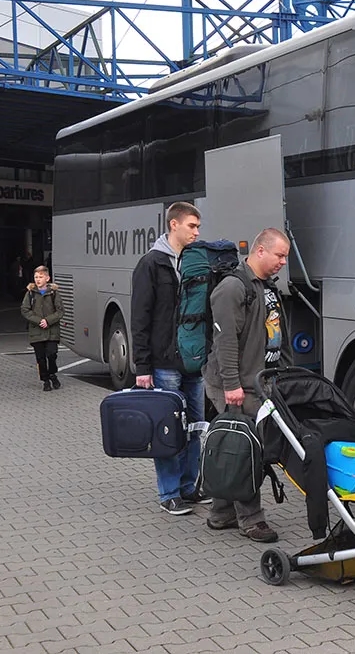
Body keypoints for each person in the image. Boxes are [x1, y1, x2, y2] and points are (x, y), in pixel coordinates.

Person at [203, 227, 293, 544]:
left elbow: (277, 334)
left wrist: (286, 374)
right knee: (246, 450)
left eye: (286, 256)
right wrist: (232, 384)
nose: (283, 262)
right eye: (280, 255)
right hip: (235, 383)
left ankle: (221, 512)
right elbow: (225, 340)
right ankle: (252, 520)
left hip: (258, 381)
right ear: (260, 251)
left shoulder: (267, 287)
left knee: (234, 445)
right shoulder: (232, 287)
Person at [131, 201, 208, 515]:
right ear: (173, 224)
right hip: (164, 362)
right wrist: (142, 366)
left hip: (193, 361)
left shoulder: (195, 260)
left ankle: (190, 488)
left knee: (195, 428)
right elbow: (140, 317)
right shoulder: (151, 263)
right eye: (192, 226)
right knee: (168, 429)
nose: (197, 232)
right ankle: (169, 493)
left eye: (198, 226)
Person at [21, 265, 64, 391]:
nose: (38, 280)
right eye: (36, 277)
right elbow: (25, 310)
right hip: (36, 331)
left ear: (47, 278)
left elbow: (60, 311)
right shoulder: (30, 293)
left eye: (40, 277)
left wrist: (48, 321)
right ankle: (45, 380)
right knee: (40, 358)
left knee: (52, 354)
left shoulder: (53, 293)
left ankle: (52, 374)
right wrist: (39, 321)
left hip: (51, 331)